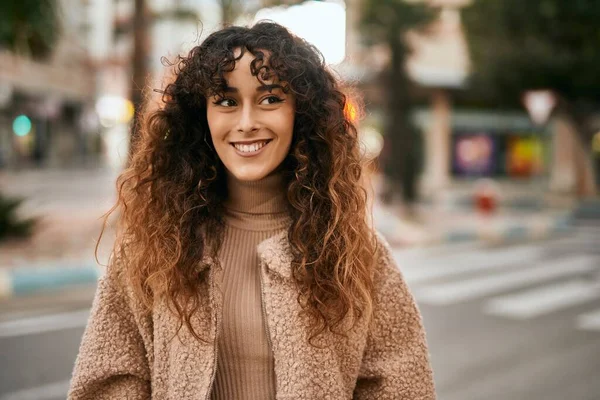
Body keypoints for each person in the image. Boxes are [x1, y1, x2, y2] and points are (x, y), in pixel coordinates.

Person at [68, 22, 435, 400]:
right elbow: (108, 381)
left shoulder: (358, 255)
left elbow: (400, 386)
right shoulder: (151, 246)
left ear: (301, 113)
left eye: (270, 99)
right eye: (226, 101)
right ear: (202, 115)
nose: (246, 123)